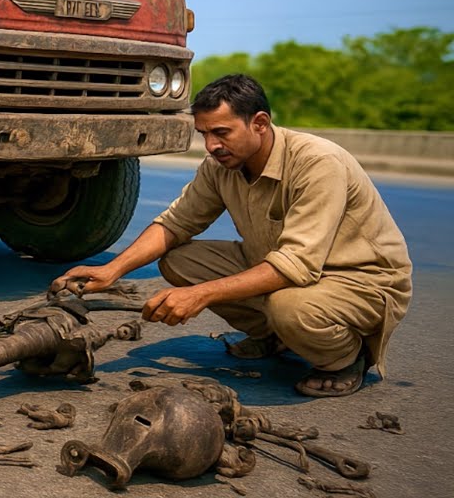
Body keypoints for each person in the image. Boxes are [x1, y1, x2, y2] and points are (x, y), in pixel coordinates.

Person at [52, 74, 411, 398]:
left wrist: (199, 295)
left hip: (359, 280)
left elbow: (296, 264)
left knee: (290, 307)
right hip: (282, 264)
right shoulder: (221, 165)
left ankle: (343, 359)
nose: (211, 145)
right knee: (179, 261)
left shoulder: (318, 162)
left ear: (260, 123)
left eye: (222, 133)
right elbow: (175, 224)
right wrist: (111, 271)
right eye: (204, 134)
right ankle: (276, 337)